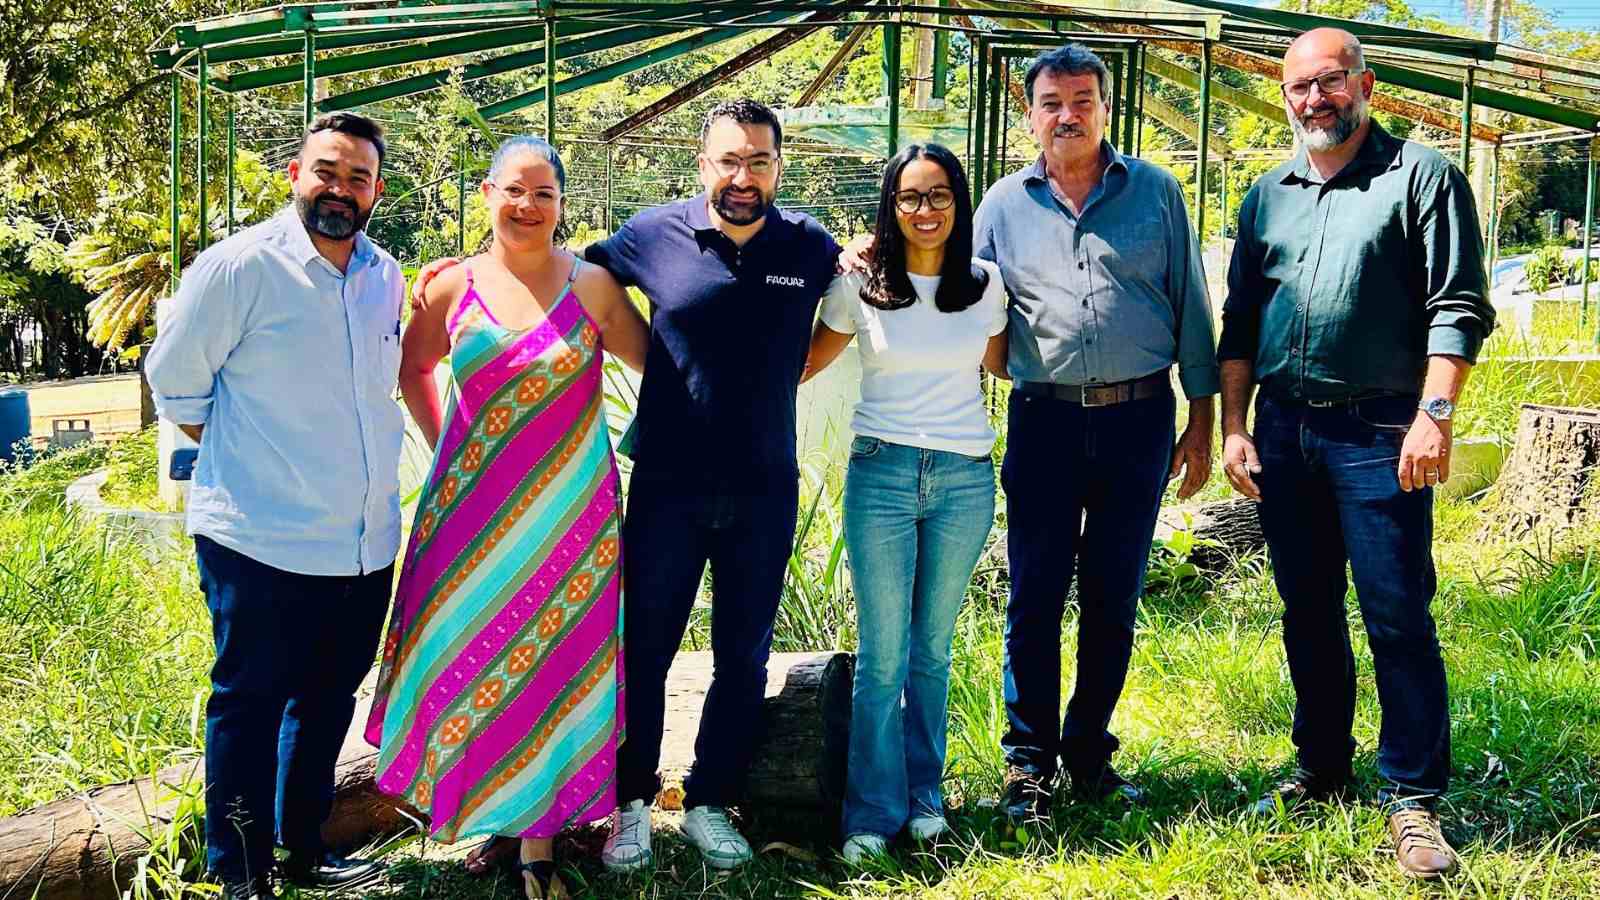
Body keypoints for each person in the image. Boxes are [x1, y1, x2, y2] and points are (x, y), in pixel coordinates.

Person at [1217, 28, 1494, 880]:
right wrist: (1235, 425)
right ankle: (1323, 765)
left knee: (1397, 614)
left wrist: (1434, 416)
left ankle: (1412, 797)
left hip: (1381, 433)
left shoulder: (1423, 179)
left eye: (1329, 83)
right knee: (1306, 609)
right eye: (1299, 88)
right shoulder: (1269, 195)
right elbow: (1241, 320)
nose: (1313, 100)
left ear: (1364, 84)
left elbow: (1459, 306)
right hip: (1287, 431)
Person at [363, 135, 647, 900]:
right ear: (487, 194)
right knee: (467, 662)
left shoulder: (591, 288)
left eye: (544, 194)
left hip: (570, 519)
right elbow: (414, 367)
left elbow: (663, 364)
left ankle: (537, 848)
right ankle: (487, 814)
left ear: (561, 204)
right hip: (467, 516)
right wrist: (445, 443)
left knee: (553, 668)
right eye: (513, 191)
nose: (527, 206)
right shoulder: (450, 286)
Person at [146, 112, 403, 900]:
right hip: (259, 537)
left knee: (326, 701)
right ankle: (241, 870)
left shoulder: (383, 275)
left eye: (358, 177)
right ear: (295, 175)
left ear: (376, 192)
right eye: (326, 170)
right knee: (248, 706)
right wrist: (252, 456)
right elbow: (177, 384)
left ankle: (305, 848)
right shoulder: (239, 267)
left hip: (361, 542)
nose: (341, 188)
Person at [588, 99, 842, 872]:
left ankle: (708, 799)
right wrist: (648, 358)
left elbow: (851, 305)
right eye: (728, 160)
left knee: (744, 655)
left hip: (765, 487)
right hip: (668, 485)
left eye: (758, 161)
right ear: (703, 165)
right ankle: (629, 802)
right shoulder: (651, 235)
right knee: (646, 648)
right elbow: (583, 272)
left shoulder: (810, 246)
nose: (743, 175)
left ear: (778, 167)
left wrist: (791, 374)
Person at [973, 43, 1219, 822]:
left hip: (1140, 420)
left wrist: (1202, 420)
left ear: (1106, 108)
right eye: (1052, 102)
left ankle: (1088, 753)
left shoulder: (1155, 193)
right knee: (1034, 596)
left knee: (1114, 596)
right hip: (1043, 420)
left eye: (1083, 99)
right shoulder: (1002, 206)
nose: (1068, 115)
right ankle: (1027, 763)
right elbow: (972, 306)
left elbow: (1191, 306)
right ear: (1031, 112)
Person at [803, 144, 1008, 864]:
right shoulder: (859, 288)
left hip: (963, 479)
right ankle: (870, 814)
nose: (926, 210)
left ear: (961, 201)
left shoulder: (985, 286)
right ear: (890, 207)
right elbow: (801, 366)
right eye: (910, 197)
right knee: (883, 655)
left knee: (932, 652)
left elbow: (1011, 365)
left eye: (940, 195)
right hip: (882, 475)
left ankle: (926, 802)